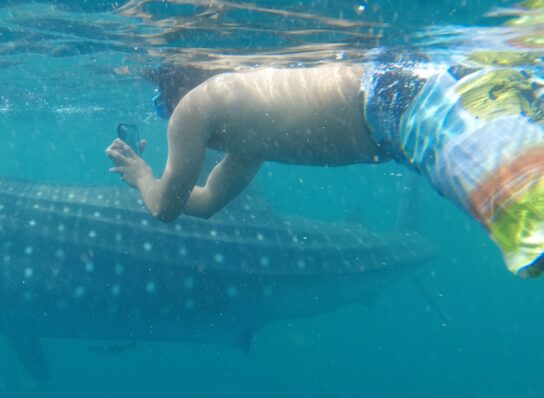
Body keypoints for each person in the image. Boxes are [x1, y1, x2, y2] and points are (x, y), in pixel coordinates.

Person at [106, 49, 544, 278]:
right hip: (412, 97)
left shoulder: (193, 109)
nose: (163, 110)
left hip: (404, 106)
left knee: (533, 220)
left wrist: (143, 177)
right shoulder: (248, 135)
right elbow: (203, 203)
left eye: (159, 100)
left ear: (171, 83)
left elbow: (166, 208)